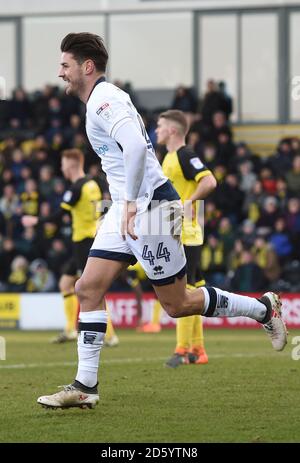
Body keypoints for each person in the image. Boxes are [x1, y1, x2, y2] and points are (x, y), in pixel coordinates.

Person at [37, 32, 287, 410]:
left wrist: (134, 203)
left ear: (87, 67)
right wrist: (126, 203)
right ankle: (85, 385)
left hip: (149, 207)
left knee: (178, 303)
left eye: (65, 65)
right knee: (88, 288)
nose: (60, 73)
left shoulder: (105, 99)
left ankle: (263, 308)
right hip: (125, 206)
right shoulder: (101, 102)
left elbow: (136, 147)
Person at [22, 148, 118, 346]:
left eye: (63, 164)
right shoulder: (94, 183)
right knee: (66, 283)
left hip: (85, 242)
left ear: (71, 165)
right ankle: (70, 330)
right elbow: (106, 205)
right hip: (87, 240)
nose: (61, 168)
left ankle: (109, 335)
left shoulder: (77, 187)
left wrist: (36, 220)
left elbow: (59, 216)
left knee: (92, 289)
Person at [154, 109, 216, 367]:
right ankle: (198, 349)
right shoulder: (169, 156)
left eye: (159, 126)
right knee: (195, 286)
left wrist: (189, 202)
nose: (156, 130)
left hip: (186, 233)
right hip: (178, 231)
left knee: (184, 292)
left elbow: (210, 181)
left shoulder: (184, 155)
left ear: (172, 130)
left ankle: (181, 350)